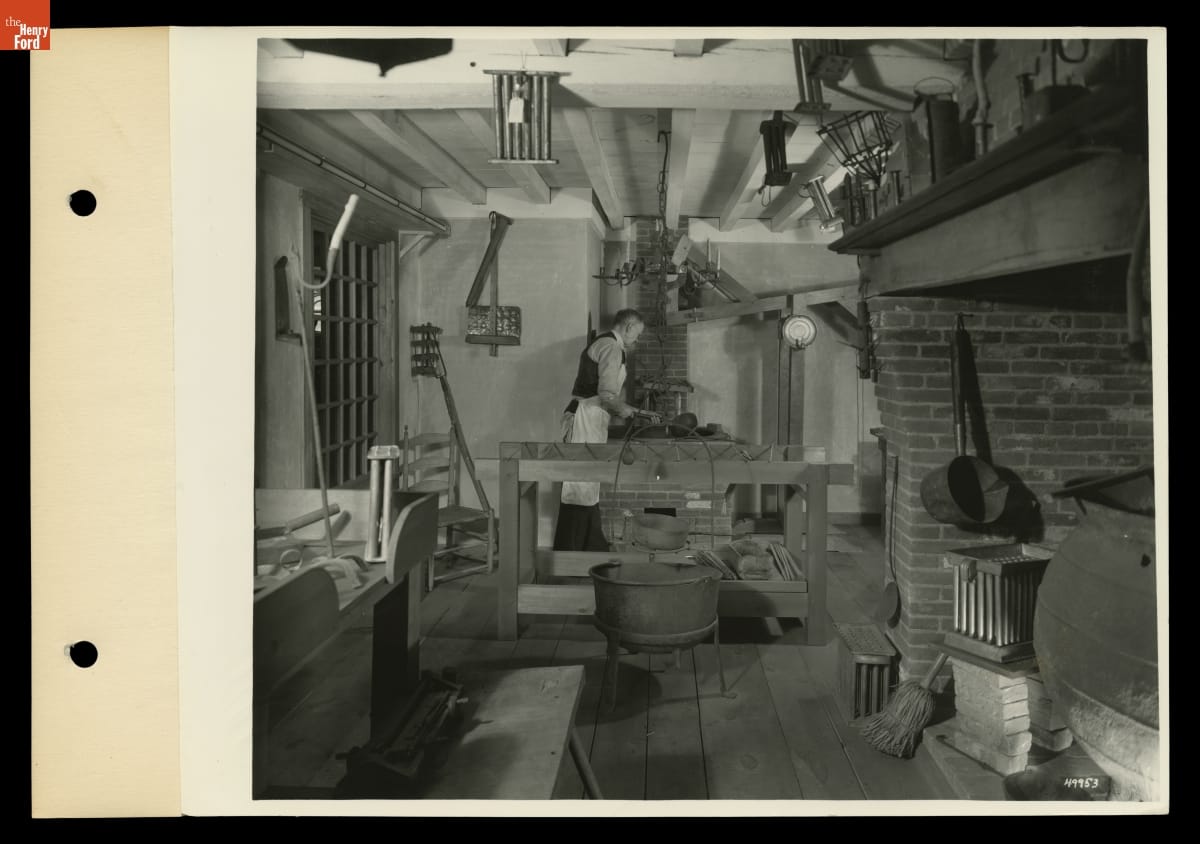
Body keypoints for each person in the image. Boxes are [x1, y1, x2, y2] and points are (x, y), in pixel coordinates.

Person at [553, 309, 660, 551]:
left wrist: (633, 410)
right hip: (586, 417)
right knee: (579, 484)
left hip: (591, 416)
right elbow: (607, 395)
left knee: (587, 483)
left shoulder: (607, 344)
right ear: (629, 326)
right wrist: (624, 410)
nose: (637, 339)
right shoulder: (611, 347)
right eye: (638, 333)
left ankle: (590, 546)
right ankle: (572, 551)